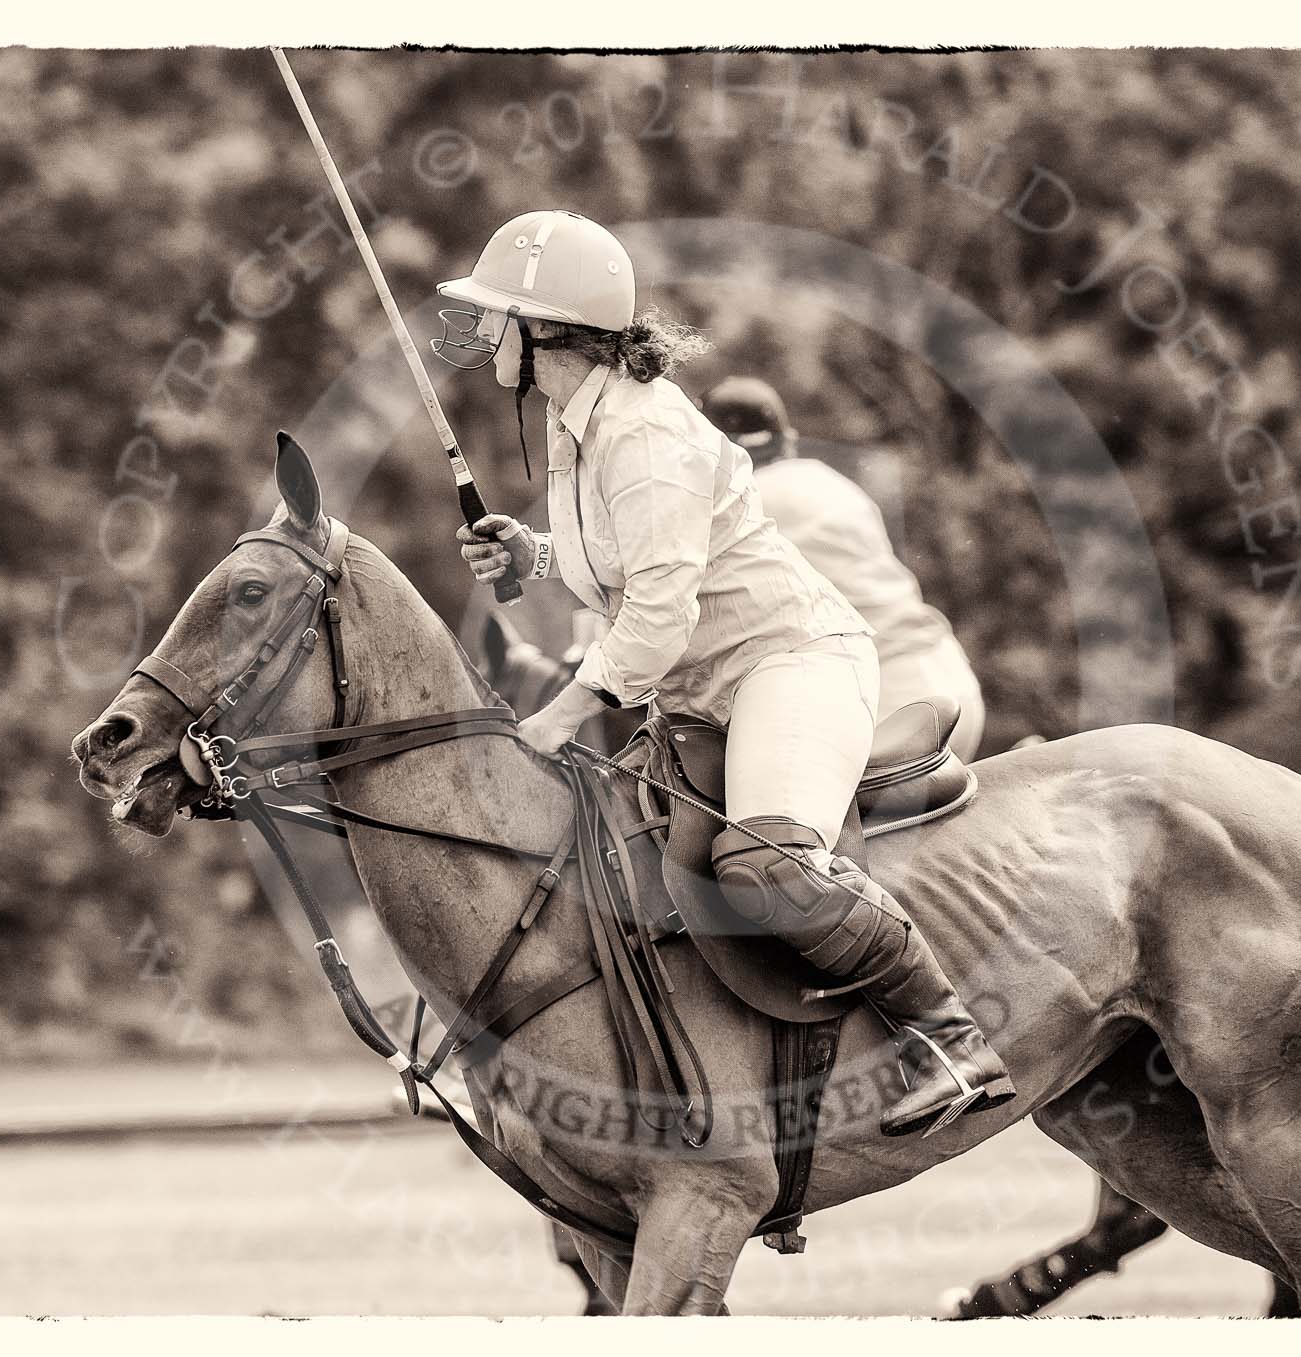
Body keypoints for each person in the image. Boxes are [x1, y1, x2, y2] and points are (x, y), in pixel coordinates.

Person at [434, 210, 1013, 1137]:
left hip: (790, 664)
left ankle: (949, 1036)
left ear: (545, 329)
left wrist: (567, 708)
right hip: (704, 696)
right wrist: (535, 554)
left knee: (765, 864)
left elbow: (660, 612)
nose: (480, 330)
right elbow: (636, 560)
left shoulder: (643, 432)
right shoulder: (573, 421)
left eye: (496, 312)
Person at [698, 377, 988, 762]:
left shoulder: (741, 502)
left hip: (888, 699)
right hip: (947, 674)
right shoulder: (830, 480)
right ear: (786, 437)